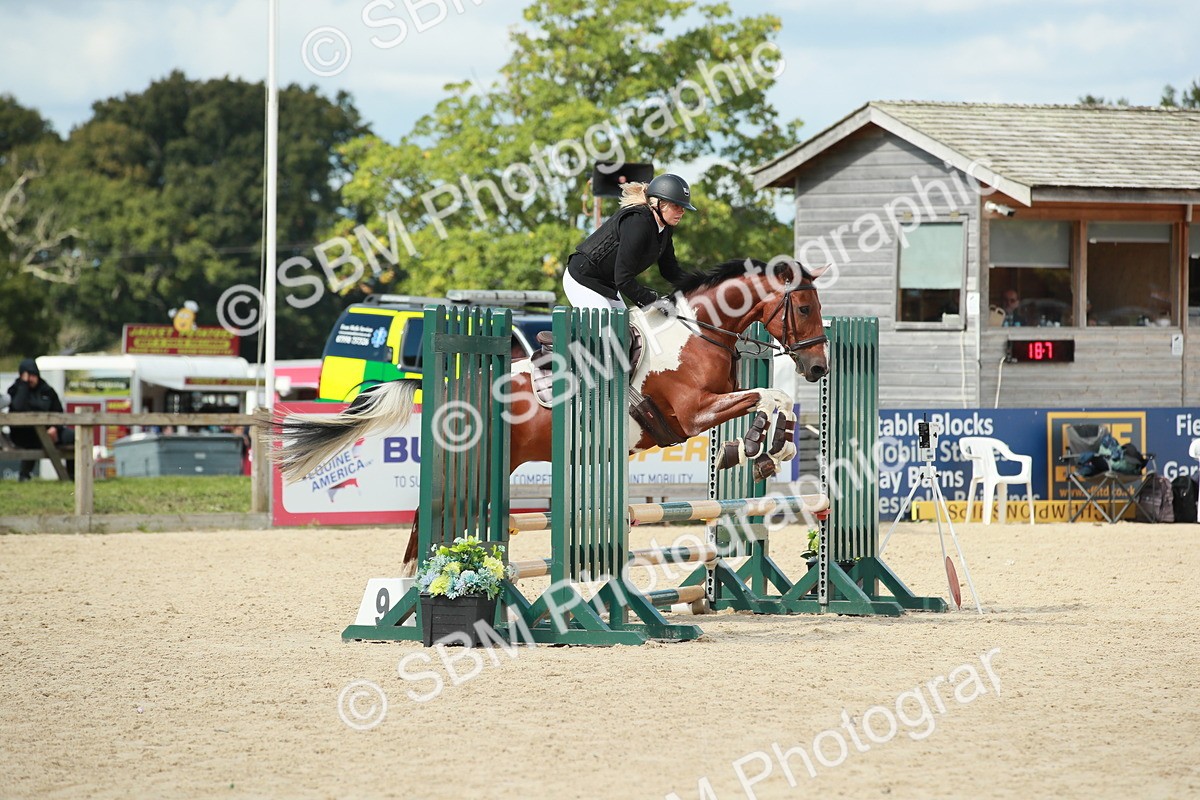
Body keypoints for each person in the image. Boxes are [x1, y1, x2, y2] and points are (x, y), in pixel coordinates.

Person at [563, 173, 697, 310]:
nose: (682, 211)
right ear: (660, 204)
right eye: (676, 206)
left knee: (624, 324)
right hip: (582, 279)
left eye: (683, 207)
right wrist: (654, 301)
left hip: (608, 285)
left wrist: (699, 285)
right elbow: (623, 278)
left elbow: (670, 270)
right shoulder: (638, 223)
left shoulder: (665, 229)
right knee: (606, 323)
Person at [6, 358, 73, 481]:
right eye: (27, 376)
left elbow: (58, 412)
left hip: (50, 432)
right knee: (32, 441)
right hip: (24, 434)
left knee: (73, 436)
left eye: (33, 375)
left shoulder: (47, 390)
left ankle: (72, 476)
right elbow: (17, 407)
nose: (31, 379)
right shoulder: (15, 390)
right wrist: (24, 386)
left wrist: (54, 428)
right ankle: (24, 476)